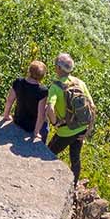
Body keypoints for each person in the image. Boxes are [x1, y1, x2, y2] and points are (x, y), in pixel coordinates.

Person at [43, 53, 94, 181]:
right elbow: (92, 107)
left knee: (47, 153)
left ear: (59, 68)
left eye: (55, 65)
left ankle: (43, 179)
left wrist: (55, 123)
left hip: (65, 131)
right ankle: (74, 184)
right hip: (81, 128)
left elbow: (50, 108)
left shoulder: (55, 87)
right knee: (75, 158)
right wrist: (88, 130)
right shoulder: (80, 83)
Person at [1, 60, 49, 139]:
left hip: (17, 120)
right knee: (46, 113)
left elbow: (10, 100)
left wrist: (6, 115)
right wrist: (36, 132)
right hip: (31, 126)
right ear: (42, 76)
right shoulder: (42, 91)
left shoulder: (18, 82)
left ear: (29, 71)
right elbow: (41, 114)